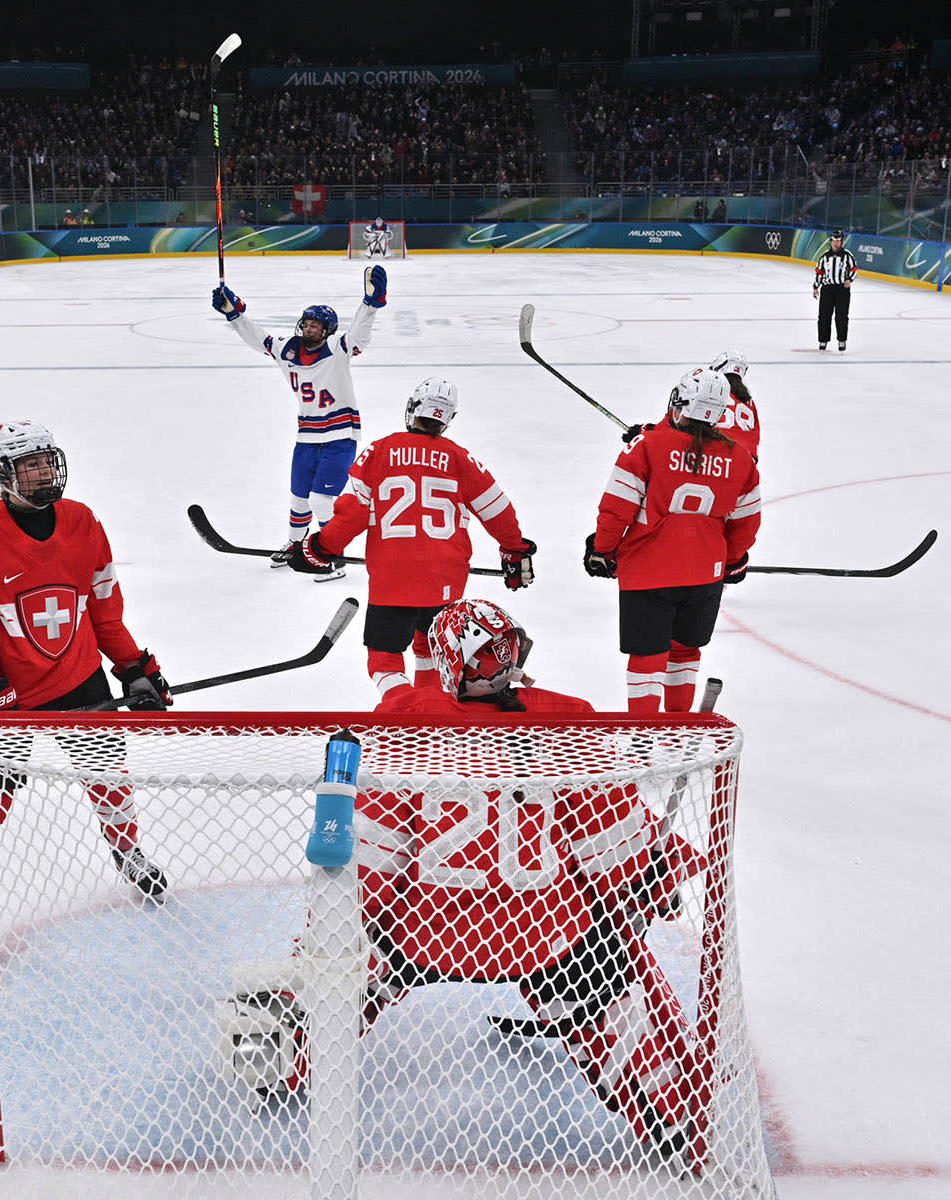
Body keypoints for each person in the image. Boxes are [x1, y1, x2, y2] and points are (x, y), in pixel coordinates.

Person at [219, 598, 707, 1157]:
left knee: (338, 967)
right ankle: (670, 1108)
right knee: (614, 983)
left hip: (423, 932)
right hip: (543, 936)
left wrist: (333, 934)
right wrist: (653, 880)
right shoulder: (568, 719)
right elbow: (612, 841)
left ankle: (273, 1058)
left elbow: (373, 854)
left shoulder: (405, 721)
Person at [0, 419, 172, 898]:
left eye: (47, 461)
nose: (44, 472)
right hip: (8, 696)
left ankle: (127, 852)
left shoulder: (83, 522)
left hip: (80, 680)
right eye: (30, 465)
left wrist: (134, 668)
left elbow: (105, 613)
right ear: (2, 473)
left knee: (109, 776)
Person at [287, 378, 535, 696]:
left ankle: (403, 710)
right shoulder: (460, 458)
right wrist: (514, 551)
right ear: (448, 419)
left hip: (392, 577)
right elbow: (498, 510)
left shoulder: (379, 451)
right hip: (445, 578)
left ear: (413, 409)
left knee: (384, 659)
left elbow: (352, 514)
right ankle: (430, 714)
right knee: (431, 648)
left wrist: (319, 549)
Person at [586, 368, 761, 714]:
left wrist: (602, 550)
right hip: (705, 575)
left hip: (648, 573)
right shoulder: (741, 458)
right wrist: (731, 561)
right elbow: (746, 523)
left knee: (647, 657)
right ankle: (679, 730)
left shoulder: (646, 447)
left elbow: (616, 509)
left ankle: (643, 739)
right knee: (684, 652)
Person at [211, 267, 387, 563]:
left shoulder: (337, 349)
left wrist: (371, 304)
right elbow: (259, 339)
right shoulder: (287, 349)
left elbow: (359, 334)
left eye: (316, 326)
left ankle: (332, 556)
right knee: (298, 498)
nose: (308, 329)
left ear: (327, 331)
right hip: (306, 436)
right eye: (306, 324)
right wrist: (235, 314)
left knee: (321, 500)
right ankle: (295, 544)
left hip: (340, 436)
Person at [623, 350, 759, 463]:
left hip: (713, 455)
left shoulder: (707, 391)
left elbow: (677, 423)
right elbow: (754, 438)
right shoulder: (749, 402)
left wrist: (645, 430)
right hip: (744, 461)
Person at [813, 228, 856, 352]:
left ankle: (842, 340)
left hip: (842, 290)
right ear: (830, 241)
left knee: (841, 316)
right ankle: (823, 340)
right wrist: (816, 287)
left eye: (838, 241)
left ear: (841, 242)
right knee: (824, 316)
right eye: (834, 240)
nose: (836, 243)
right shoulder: (824, 257)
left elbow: (854, 270)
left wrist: (849, 280)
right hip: (827, 289)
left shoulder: (847, 256)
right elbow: (819, 273)